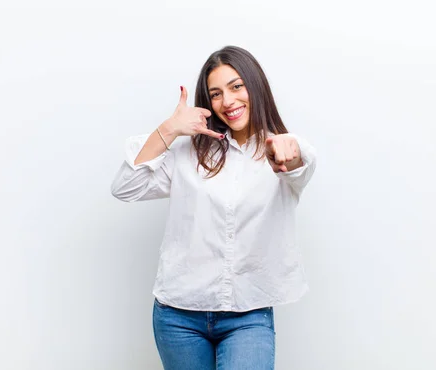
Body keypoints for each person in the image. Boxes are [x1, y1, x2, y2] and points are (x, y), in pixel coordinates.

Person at [111, 45, 317, 370]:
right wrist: (169, 129)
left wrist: (288, 155)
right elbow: (125, 187)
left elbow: (298, 162)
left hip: (248, 316)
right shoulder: (187, 152)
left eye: (237, 86)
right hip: (178, 317)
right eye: (216, 93)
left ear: (255, 86)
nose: (228, 102)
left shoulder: (279, 148)